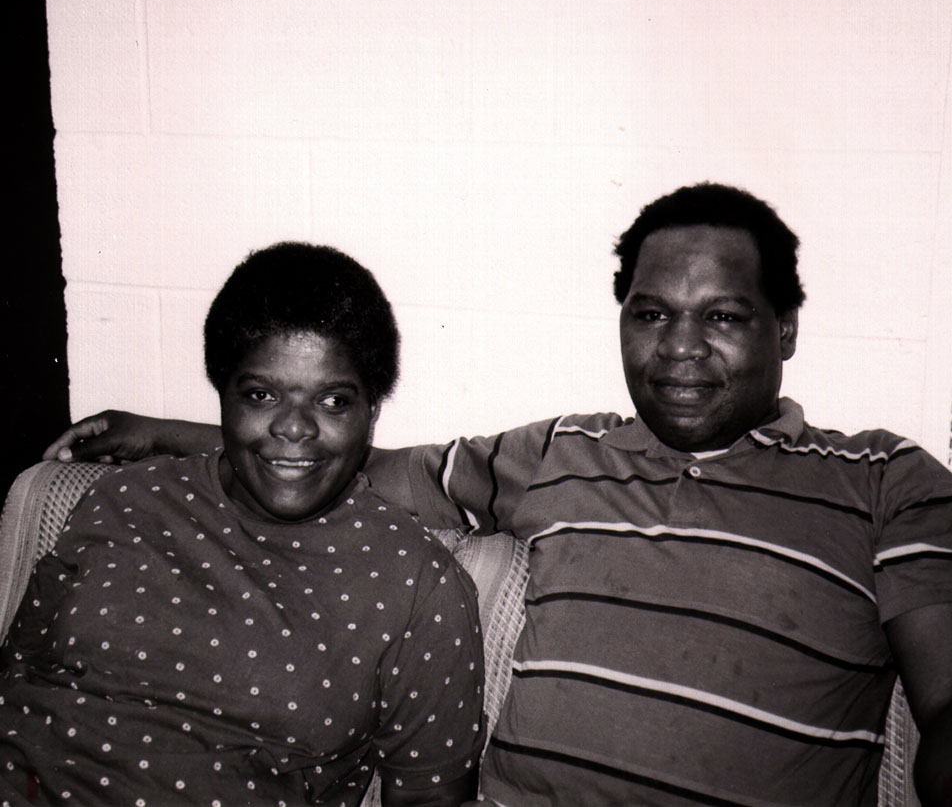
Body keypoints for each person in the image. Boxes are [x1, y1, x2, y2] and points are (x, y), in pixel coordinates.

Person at [42, 184, 952, 806]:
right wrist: (167, 432)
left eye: (720, 316)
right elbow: (340, 452)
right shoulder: (559, 453)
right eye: (650, 313)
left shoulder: (884, 482)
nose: (678, 347)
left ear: (785, 328)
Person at [2, 243, 485, 806]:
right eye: (261, 395)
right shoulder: (124, 497)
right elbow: (17, 670)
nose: (295, 428)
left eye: (333, 401)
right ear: (223, 395)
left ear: (372, 412)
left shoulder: (417, 585)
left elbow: (433, 799)